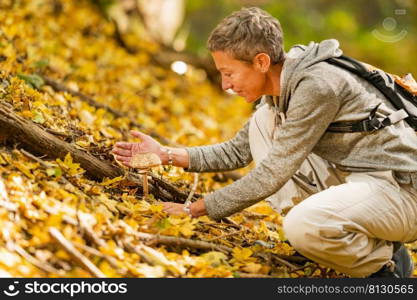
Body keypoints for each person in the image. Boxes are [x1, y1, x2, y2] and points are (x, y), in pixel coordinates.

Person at [111, 7, 417, 278]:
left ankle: (385, 267)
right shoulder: (281, 89)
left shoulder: (316, 86)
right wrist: (164, 155)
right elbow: (238, 150)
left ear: (260, 62)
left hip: (404, 191)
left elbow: (272, 173)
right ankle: (326, 241)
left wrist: (193, 210)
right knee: (262, 125)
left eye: (229, 73)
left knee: (303, 225)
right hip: (366, 180)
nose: (225, 84)